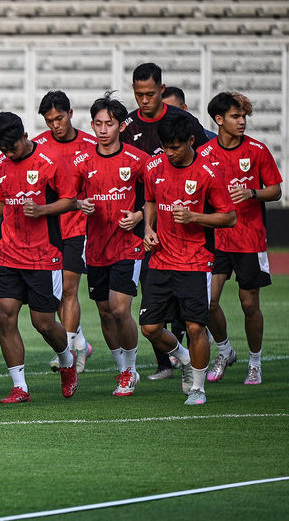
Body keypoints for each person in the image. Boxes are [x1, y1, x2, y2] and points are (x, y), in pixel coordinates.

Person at [121, 62, 212, 381]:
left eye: (149, 93)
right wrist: (142, 220)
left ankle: (196, 366)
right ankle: (169, 362)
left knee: (192, 317)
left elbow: (206, 162)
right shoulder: (128, 124)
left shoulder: (184, 121)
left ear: (161, 89)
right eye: (138, 94)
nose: (144, 100)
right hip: (147, 222)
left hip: (189, 227)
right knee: (151, 310)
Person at [0, 112, 78, 403]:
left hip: (43, 256)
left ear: (25, 136)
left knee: (43, 322)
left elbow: (70, 200)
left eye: (12, 147)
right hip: (8, 254)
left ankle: (67, 359)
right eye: (3, 149)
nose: (8, 153)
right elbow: (2, 199)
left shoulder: (49, 162)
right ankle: (19, 386)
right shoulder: (2, 164)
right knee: (5, 315)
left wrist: (43, 210)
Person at [140, 111, 236, 405]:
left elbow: (229, 217)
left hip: (195, 261)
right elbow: (150, 201)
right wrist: (148, 228)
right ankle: (182, 357)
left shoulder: (208, 173)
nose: (169, 152)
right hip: (161, 259)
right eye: (165, 146)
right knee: (150, 328)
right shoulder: (154, 166)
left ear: (191, 141)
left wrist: (195, 216)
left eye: (175, 147)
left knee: (195, 327)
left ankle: (198, 388)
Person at [199, 92, 282, 385]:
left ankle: (255, 362)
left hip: (249, 239)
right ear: (219, 120)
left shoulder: (257, 151)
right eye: (235, 116)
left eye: (244, 116)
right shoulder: (205, 154)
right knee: (206, 303)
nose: (242, 121)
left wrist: (252, 193)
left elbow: (276, 190)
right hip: (216, 239)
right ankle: (225, 351)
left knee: (249, 305)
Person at [72, 92, 150, 396]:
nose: (103, 129)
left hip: (127, 246)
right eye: (98, 124)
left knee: (120, 309)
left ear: (121, 126)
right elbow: (69, 197)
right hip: (96, 247)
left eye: (110, 123)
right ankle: (121, 367)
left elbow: (155, 196)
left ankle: (129, 370)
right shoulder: (83, 162)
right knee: (104, 311)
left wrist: (140, 215)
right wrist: (80, 203)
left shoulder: (137, 160)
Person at [33, 90, 98, 372]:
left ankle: (70, 350)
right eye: (49, 121)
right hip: (47, 230)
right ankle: (81, 342)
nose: (55, 125)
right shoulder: (37, 146)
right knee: (55, 295)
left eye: (59, 118)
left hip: (77, 228)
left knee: (69, 290)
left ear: (70, 114)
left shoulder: (91, 145)